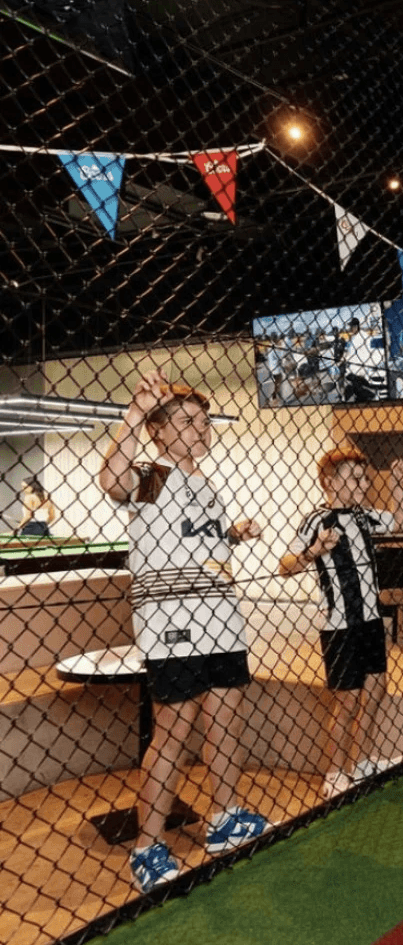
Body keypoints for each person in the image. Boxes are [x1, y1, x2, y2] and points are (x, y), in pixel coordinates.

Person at [99, 370, 269, 894]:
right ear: (160, 432)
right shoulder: (154, 474)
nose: (201, 428)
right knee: (174, 729)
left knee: (226, 718)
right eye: (188, 422)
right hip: (173, 624)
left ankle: (223, 817)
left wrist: (232, 535)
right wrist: (135, 412)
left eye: (203, 421)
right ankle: (148, 846)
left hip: (221, 620)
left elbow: (195, 543)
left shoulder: (205, 485)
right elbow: (110, 481)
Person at [279, 449, 403, 796]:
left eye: (365, 478)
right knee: (347, 701)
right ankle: (335, 773)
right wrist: (314, 551)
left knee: (376, 689)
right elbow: (285, 565)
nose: (364, 484)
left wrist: (399, 486)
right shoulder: (317, 520)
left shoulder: (364, 516)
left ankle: (363, 762)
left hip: (369, 620)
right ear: (330, 481)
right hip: (339, 625)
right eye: (355, 478)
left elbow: (400, 521)